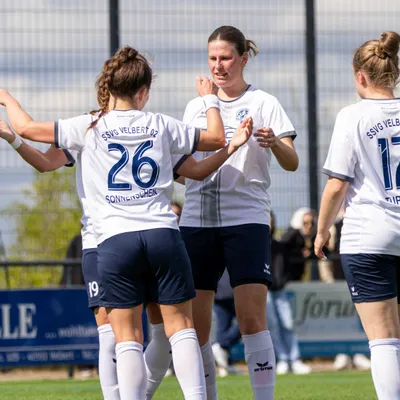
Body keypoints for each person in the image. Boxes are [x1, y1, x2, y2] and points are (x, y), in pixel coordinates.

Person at [0, 45, 254, 400]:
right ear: (143, 91)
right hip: (162, 233)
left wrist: (6, 97)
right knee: (181, 329)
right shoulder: (161, 125)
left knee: (126, 337)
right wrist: (211, 102)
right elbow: (212, 139)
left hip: (116, 240)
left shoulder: (88, 127)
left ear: (108, 86)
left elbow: (27, 127)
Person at [172, 26, 299, 400]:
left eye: (226, 57)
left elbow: (292, 162)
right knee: (196, 327)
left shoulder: (264, 102)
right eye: (212, 58)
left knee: (251, 319)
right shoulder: (196, 107)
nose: (218, 66)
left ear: (243, 58)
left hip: (247, 220)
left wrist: (274, 143)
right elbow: (183, 168)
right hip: (197, 221)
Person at [314, 31, 400, 400]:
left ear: (359, 76)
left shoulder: (352, 115)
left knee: (383, 340)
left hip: (369, 235)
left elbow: (337, 185)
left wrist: (321, 231)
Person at [267, 212, 311, 375]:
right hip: (265, 291)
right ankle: (282, 359)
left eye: (271, 221)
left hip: (279, 290)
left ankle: (294, 359)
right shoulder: (254, 245)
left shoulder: (279, 245)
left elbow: (295, 247)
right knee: (272, 326)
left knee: (288, 324)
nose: (270, 225)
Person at [212, 269, 242, 377]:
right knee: (245, 321)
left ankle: (226, 364)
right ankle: (223, 346)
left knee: (223, 327)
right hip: (231, 287)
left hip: (219, 288)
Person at [280, 207, 317, 282]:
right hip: (287, 276)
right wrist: (300, 252)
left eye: (312, 223)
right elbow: (282, 249)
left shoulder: (312, 236)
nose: (309, 226)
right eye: (305, 223)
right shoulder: (291, 235)